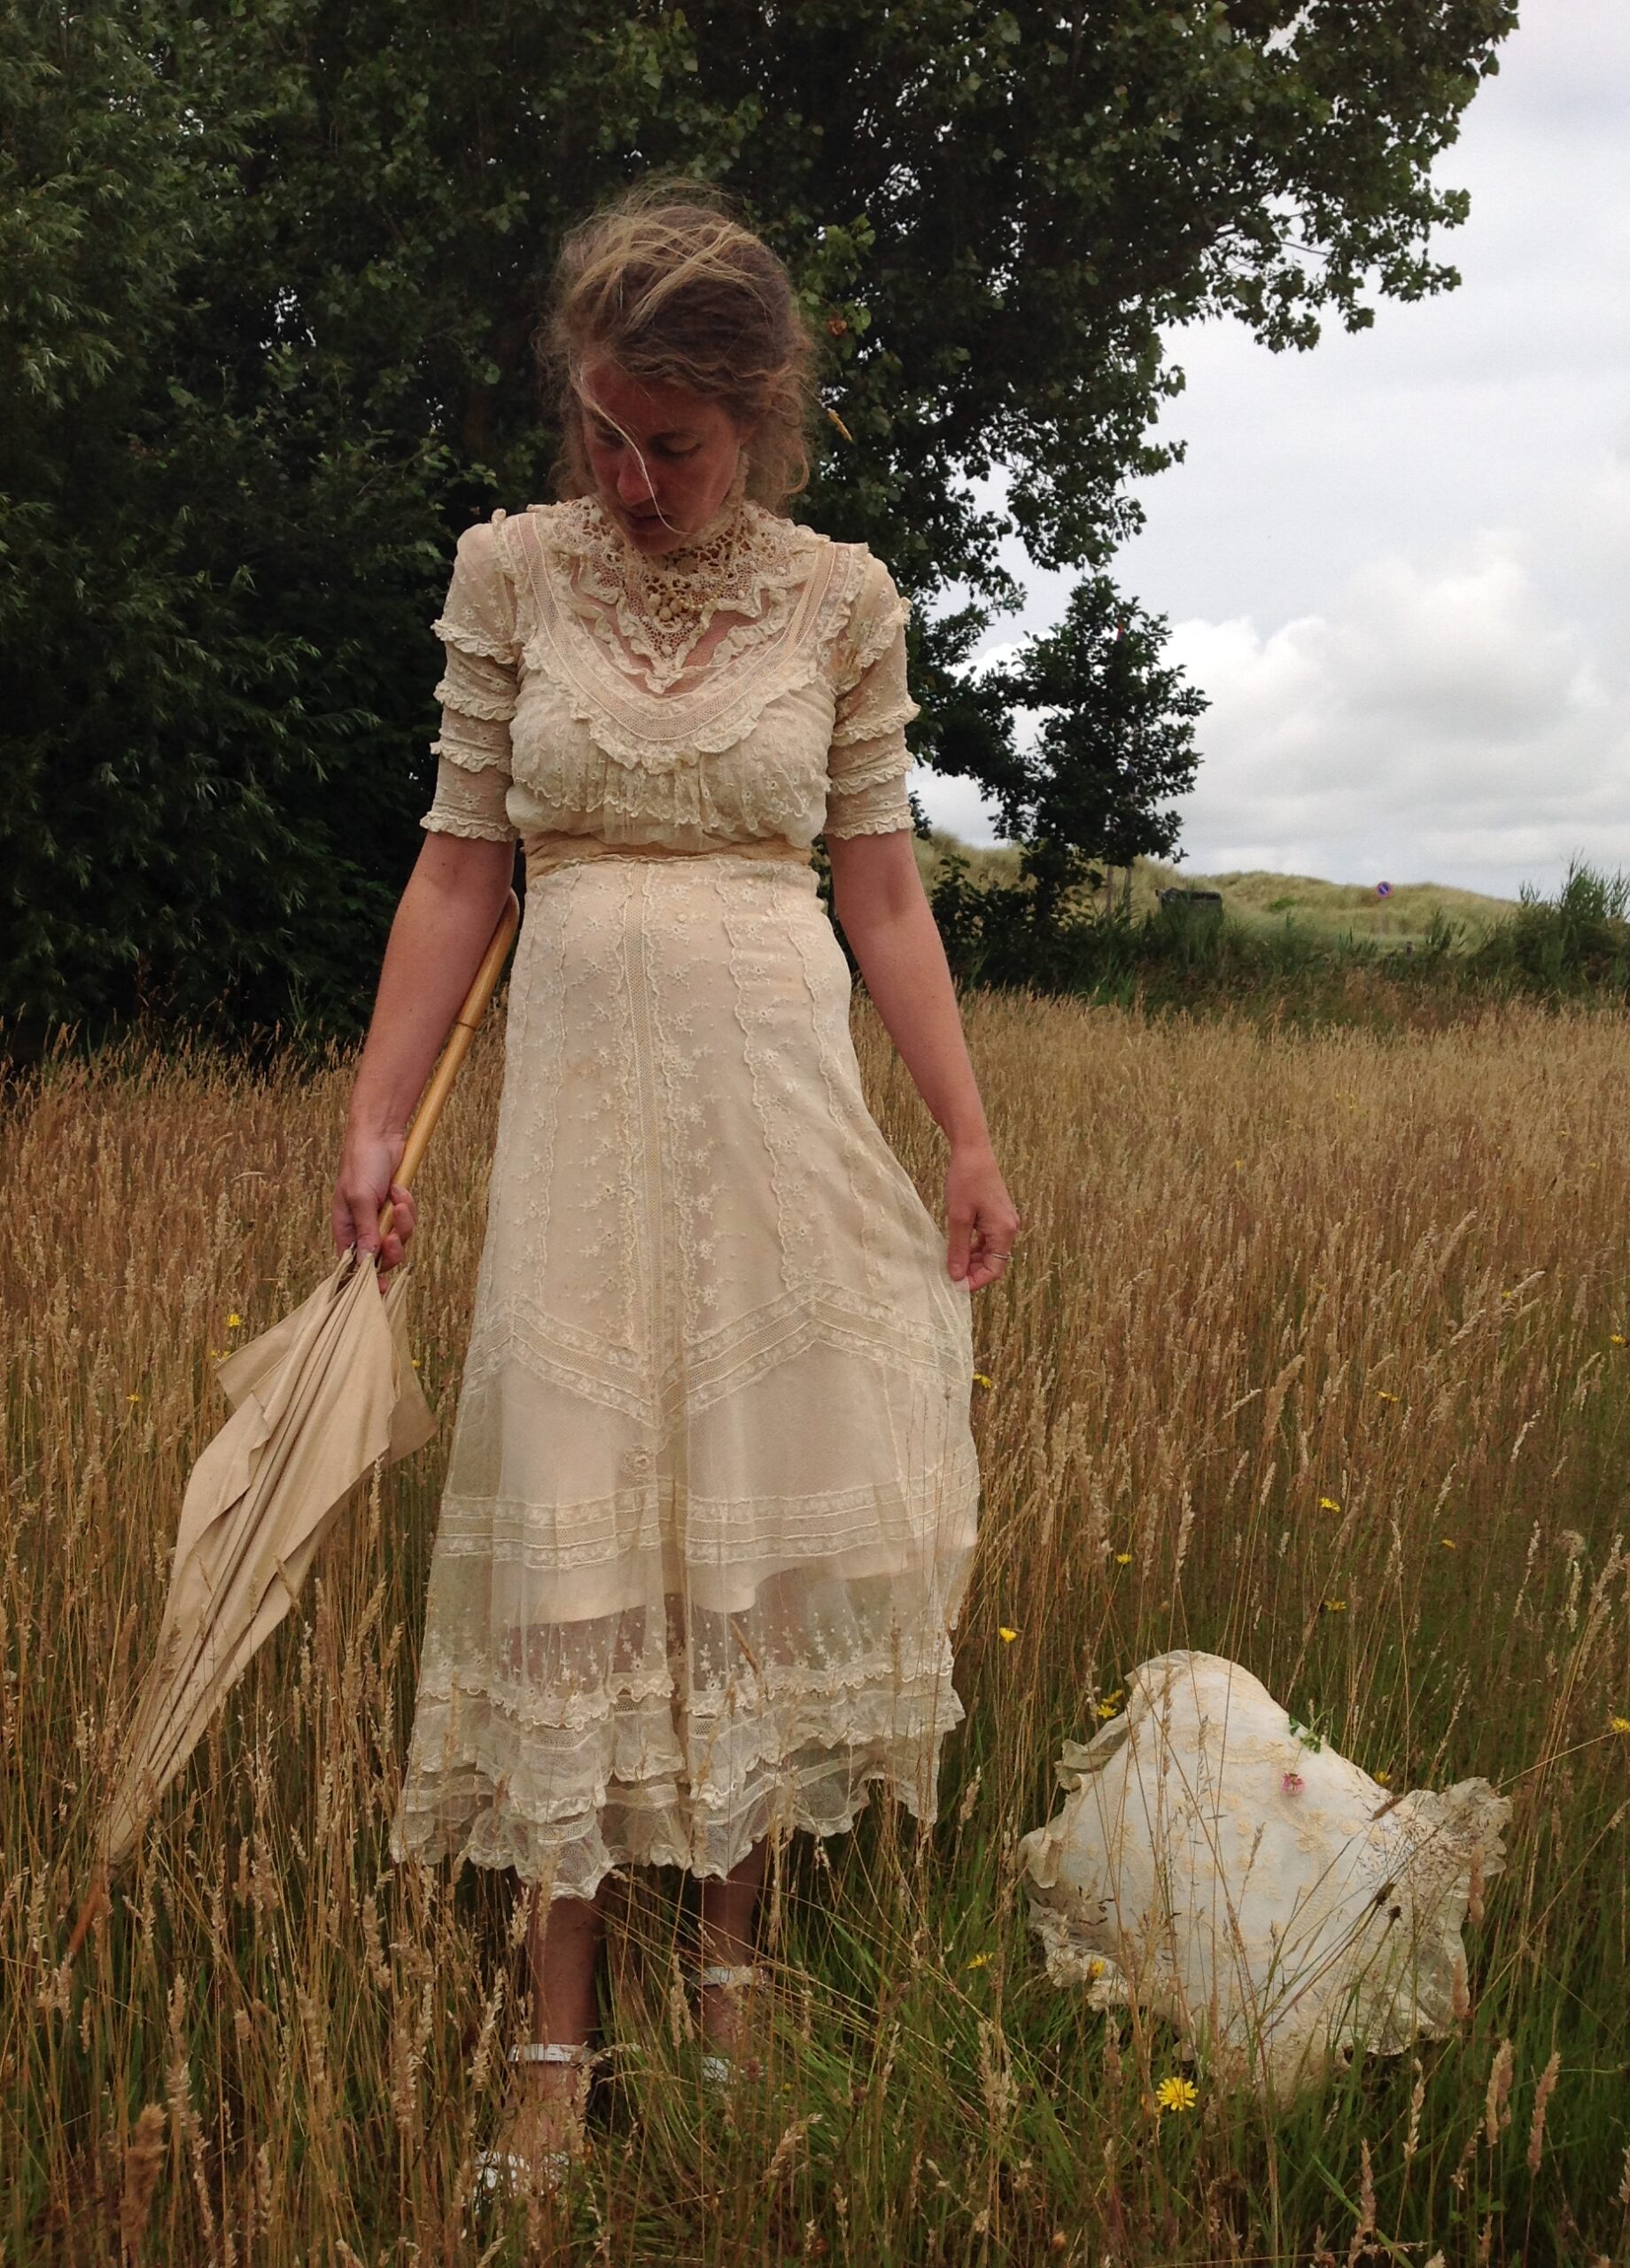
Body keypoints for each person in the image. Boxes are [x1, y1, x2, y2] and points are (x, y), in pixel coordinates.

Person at [331, 179, 1020, 2186]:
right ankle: (554, 2038)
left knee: (745, 1516)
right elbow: (464, 859)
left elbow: (879, 888)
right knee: (568, 1506)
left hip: (780, 1107)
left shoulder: (843, 600)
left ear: (763, 414)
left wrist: (967, 1137)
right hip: (572, 1129)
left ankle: (727, 1983)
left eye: (675, 444)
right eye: (603, 435)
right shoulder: (508, 575)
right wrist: (374, 1120)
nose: (630, 481)